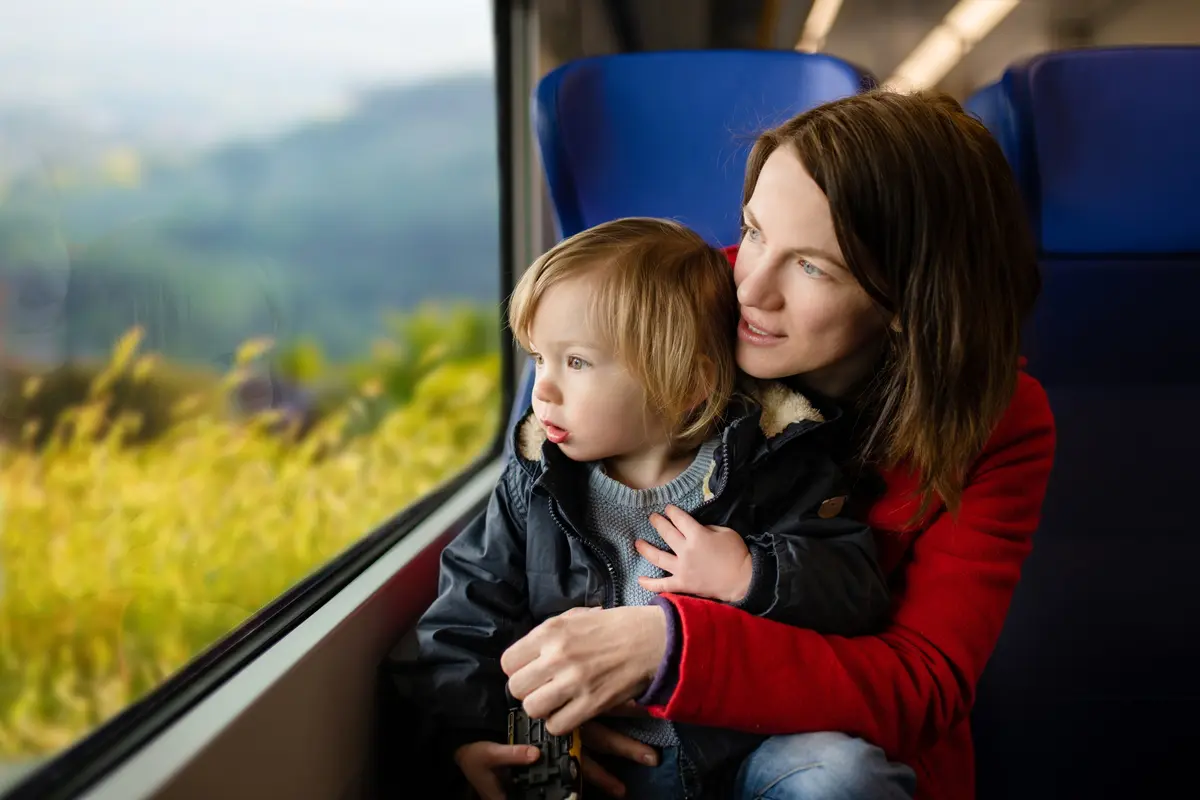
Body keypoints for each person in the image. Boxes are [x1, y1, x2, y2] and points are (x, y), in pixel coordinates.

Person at [499, 89, 1057, 800]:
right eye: (754, 231)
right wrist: (523, 714)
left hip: (817, 747)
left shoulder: (998, 422)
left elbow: (921, 684)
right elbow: (527, 529)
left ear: (907, 302)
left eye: (813, 267)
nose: (750, 287)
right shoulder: (676, 318)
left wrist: (667, 648)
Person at [390, 217, 894, 800]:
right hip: (578, 752)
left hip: (739, 752)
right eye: (538, 359)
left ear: (684, 386)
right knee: (524, 766)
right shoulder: (535, 486)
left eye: (575, 363)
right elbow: (467, 616)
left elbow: (856, 592)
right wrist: (468, 734)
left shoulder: (775, 468)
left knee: (844, 772)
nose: (543, 390)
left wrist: (750, 574)